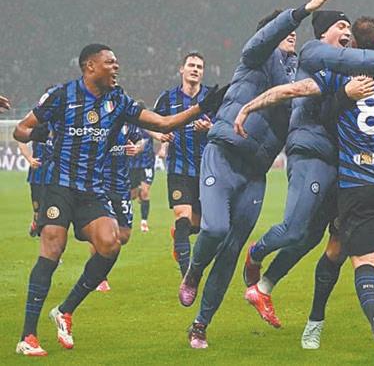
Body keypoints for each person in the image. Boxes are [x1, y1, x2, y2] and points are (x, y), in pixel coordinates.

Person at [235, 19, 374, 361]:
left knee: (365, 255)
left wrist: (248, 105)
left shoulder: (342, 75)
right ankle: (322, 321)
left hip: (358, 182)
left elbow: (291, 91)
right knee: (365, 253)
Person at [12, 43, 223, 356]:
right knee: (53, 248)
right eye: (110, 62)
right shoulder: (62, 95)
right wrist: (39, 135)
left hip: (92, 190)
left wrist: (200, 107)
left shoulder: (118, 100)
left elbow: (163, 123)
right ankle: (28, 336)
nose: (116, 67)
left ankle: (65, 310)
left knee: (111, 244)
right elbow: (20, 130)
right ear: (90, 66)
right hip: (59, 185)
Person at [178, 0, 337, 349]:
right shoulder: (254, 58)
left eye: (295, 33)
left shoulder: (297, 76)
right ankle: (194, 270)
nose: (293, 36)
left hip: (255, 172)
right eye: (286, 32)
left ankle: (201, 324)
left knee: (232, 250)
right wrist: (302, 11)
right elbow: (264, 39)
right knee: (215, 229)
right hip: (224, 153)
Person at [153, 51, 215, 279]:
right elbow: (149, 122)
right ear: (182, 69)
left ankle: (180, 236)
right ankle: (187, 277)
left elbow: (225, 124)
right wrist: (159, 135)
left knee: (198, 226)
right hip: (178, 168)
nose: (195, 69)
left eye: (199, 67)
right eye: (191, 65)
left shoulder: (211, 97)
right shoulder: (167, 98)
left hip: (206, 169)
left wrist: (210, 128)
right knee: (182, 217)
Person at [94, 121, 144, 292]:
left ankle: (98, 270)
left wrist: (137, 148)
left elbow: (140, 140)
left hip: (122, 186)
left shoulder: (128, 122)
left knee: (123, 236)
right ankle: (99, 277)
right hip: (99, 185)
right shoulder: (98, 121)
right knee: (102, 233)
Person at [18, 123, 53, 237]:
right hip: (38, 172)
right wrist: (30, 158)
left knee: (52, 204)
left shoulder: (60, 124)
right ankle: (36, 221)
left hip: (55, 173)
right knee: (38, 206)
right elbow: (21, 141)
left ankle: (47, 228)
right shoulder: (38, 125)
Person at [129, 102, 157, 233]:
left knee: (145, 192)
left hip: (147, 163)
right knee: (133, 195)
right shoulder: (130, 127)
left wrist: (163, 148)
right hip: (132, 165)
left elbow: (160, 134)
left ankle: (144, 222)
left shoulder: (149, 126)